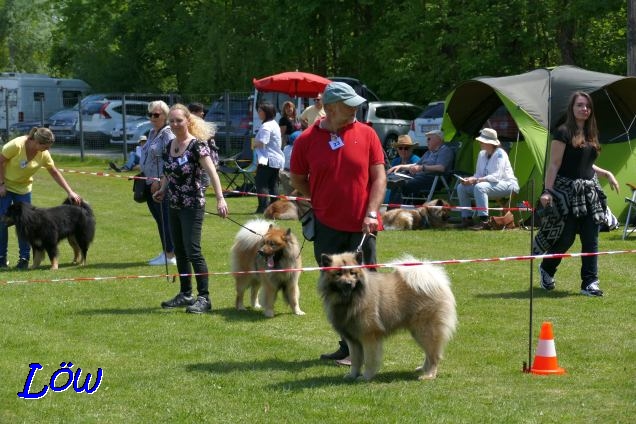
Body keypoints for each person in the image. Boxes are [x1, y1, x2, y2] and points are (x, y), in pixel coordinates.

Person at [290, 81, 386, 365]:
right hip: (327, 226)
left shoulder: (367, 134)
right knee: (335, 290)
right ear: (330, 107)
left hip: (362, 225)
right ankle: (347, 346)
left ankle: (367, 349)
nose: (356, 108)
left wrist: (371, 212)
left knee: (366, 289)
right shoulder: (306, 140)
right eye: (349, 104)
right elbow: (297, 178)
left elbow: (379, 178)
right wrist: (318, 198)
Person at [534, 91, 619, 297]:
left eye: (587, 106)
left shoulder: (591, 133)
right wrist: (547, 191)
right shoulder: (562, 132)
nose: (584, 109)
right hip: (567, 192)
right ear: (572, 108)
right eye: (580, 105)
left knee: (592, 238)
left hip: (590, 192)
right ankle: (547, 269)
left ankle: (590, 283)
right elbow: (554, 164)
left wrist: (606, 173)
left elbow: (586, 163)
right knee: (566, 237)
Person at [154, 104, 229, 313]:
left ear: (188, 121)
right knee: (179, 250)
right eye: (172, 121)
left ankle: (204, 298)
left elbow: (212, 173)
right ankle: (185, 293)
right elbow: (168, 173)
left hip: (193, 204)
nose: (175, 124)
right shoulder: (169, 145)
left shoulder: (197, 146)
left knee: (193, 251)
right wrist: (162, 189)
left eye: (179, 120)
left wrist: (220, 198)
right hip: (174, 204)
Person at [0, 127, 82, 269]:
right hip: (5, 186)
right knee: (2, 222)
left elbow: (54, 172)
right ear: (36, 142)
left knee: (26, 225)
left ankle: (24, 259)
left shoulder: (43, 154)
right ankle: (1, 258)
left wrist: (70, 191)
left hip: (24, 189)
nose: (47, 150)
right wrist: (1, 183)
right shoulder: (16, 146)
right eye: (46, 147)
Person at [456, 128, 520, 230]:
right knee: (461, 187)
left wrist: (475, 180)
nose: (480, 142)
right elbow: (478, 174)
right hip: (490, 185)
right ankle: (466, 219)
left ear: (490, 143)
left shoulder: (500, 153)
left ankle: (484, 221)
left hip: (508, 184)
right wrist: (469, 179)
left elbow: (496, 177)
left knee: (480, 187)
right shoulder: (481, 154)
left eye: (482, 141)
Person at [141, 100, 176, 266]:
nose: (152, 118)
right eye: (150, 115)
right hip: (149, 182)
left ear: (165, 115)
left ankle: (170, 255)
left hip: (161, 184)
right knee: (159, 219)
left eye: (156, 115)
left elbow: (171, 158)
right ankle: (166, 251)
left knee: (165, 219)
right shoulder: (152, 132)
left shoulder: (167, 133)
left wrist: (161, 179)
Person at [386, 129, 454, 205]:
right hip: (420, 177)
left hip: (433, 179)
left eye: (429, 139)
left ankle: (401, 210)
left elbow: (441, 168)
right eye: (400, 148)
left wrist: (422, 168)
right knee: (396, 180)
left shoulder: (445, 150)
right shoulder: (428, 152)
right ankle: (393, 210)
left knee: (401, 183)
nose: (426, 141)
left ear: (438, 140)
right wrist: (401, 166)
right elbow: (416, 165)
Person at [253, 102, 284, 214]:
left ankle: (263, 207)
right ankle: (276, 208)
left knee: (261, 183)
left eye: (260, 111)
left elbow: (263, 142)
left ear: (266, 112)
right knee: (273, 184)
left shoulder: (266, 126)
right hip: (275, 159)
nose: (258, 113)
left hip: (267, 159)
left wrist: (254, 143)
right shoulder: (274, 123)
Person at [187, 102, 220, 188]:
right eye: (200, 111)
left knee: (205, 182)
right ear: (193, 113)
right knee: (204, 182)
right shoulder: (190, 126)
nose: (203, 113)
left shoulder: (201, 123)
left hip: (208, 156)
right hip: (199, 159)